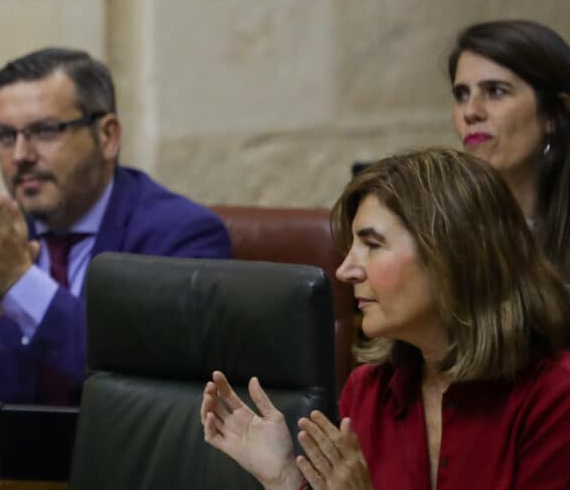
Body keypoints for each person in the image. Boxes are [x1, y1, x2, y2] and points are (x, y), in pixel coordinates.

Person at [201, 148, 570, 489]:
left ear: (451, 255)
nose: (345, 271)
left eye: (372, 245)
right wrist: (286, 479)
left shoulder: (555, 398)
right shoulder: (368, 391)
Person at [0, 48, 231, 404]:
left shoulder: (181, 236)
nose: (21, 155)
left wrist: (21, 283)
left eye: (44, 131)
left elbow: (155, 384)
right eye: (7, 136)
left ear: (107, 137)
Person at [447, 20, 570, 278]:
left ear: (552, 114)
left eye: (495, 91)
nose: (470, 111)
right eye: (461, 95)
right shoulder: (442, 229)